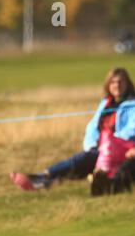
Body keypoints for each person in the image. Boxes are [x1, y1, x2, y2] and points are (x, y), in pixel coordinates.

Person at [10, 68, 135, 196]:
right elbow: (92, 127)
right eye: (113, 82)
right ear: (108, 85)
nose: (117, 85)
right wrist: (92, 144)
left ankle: (110, 185)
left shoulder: (132, 104)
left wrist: (111, 143)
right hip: (103, 149)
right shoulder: (105, 104)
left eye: (120, 82)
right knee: (82, 158)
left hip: (124, 149)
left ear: (127, 83)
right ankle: (43, 178)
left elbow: (132, 128)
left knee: (129, 163)